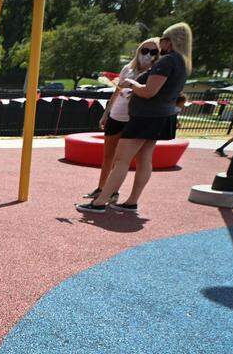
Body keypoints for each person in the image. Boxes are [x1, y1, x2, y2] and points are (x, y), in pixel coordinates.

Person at [79, 23, 192, 214]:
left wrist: (131, 83)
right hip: (161, 115)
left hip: (146, 116)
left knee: (122, 159)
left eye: (163, 40)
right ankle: (131, 201)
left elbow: (149, 92)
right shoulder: (182, 63)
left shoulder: (167, 62)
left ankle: (100, 201)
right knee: (144, 159)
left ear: (169, 41)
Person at [85, 38, 159, 203]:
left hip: (132, 119)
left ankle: (113, 193)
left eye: (153, 52)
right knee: (108, 156)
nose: (147, 55)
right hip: (116, 115)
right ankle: (101, 188)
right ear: (138, 50)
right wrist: (106, 113)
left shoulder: (155, 74)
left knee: (122, 160)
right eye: (144, 50)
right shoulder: (128, 68)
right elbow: (117, 92)